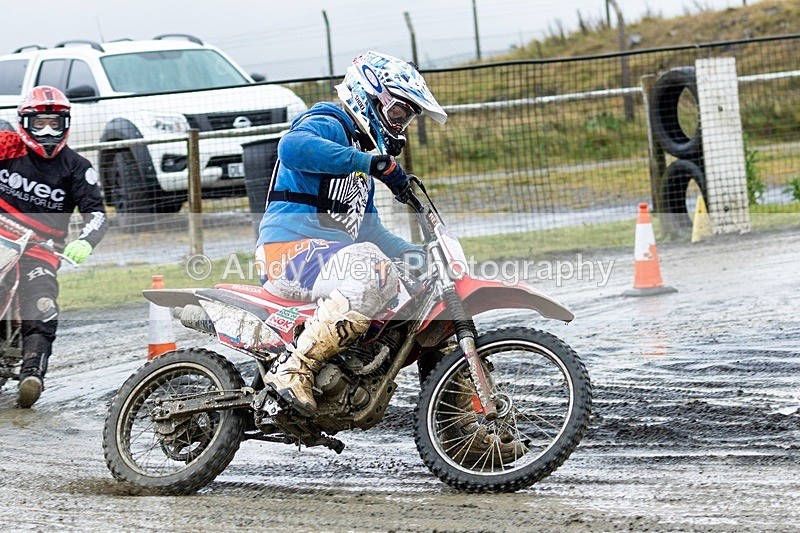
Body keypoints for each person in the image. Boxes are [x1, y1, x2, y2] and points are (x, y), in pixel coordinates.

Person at [256, 51, 447, 416]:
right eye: (398, 113)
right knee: (372, 270)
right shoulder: (329, 122)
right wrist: (369, 163)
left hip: (329, 262)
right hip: (288, 252)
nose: (399, 126)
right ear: (370, 96)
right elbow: (291, 147)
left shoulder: (360, 165)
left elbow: (371, 233)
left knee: (426, 293)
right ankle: (293, 370)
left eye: (406, 119)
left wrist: (424, 258)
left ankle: (460, 424)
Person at [0, 86, 107, 408]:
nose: (47, 132)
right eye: (40, 124)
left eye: (55, 124)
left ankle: (33, 373)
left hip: (40, 248)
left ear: (66, 125)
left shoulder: (76, 167)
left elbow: (97, 214)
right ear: (24, 123)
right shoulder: (7, 147)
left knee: (43, 301)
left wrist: (85, 242)